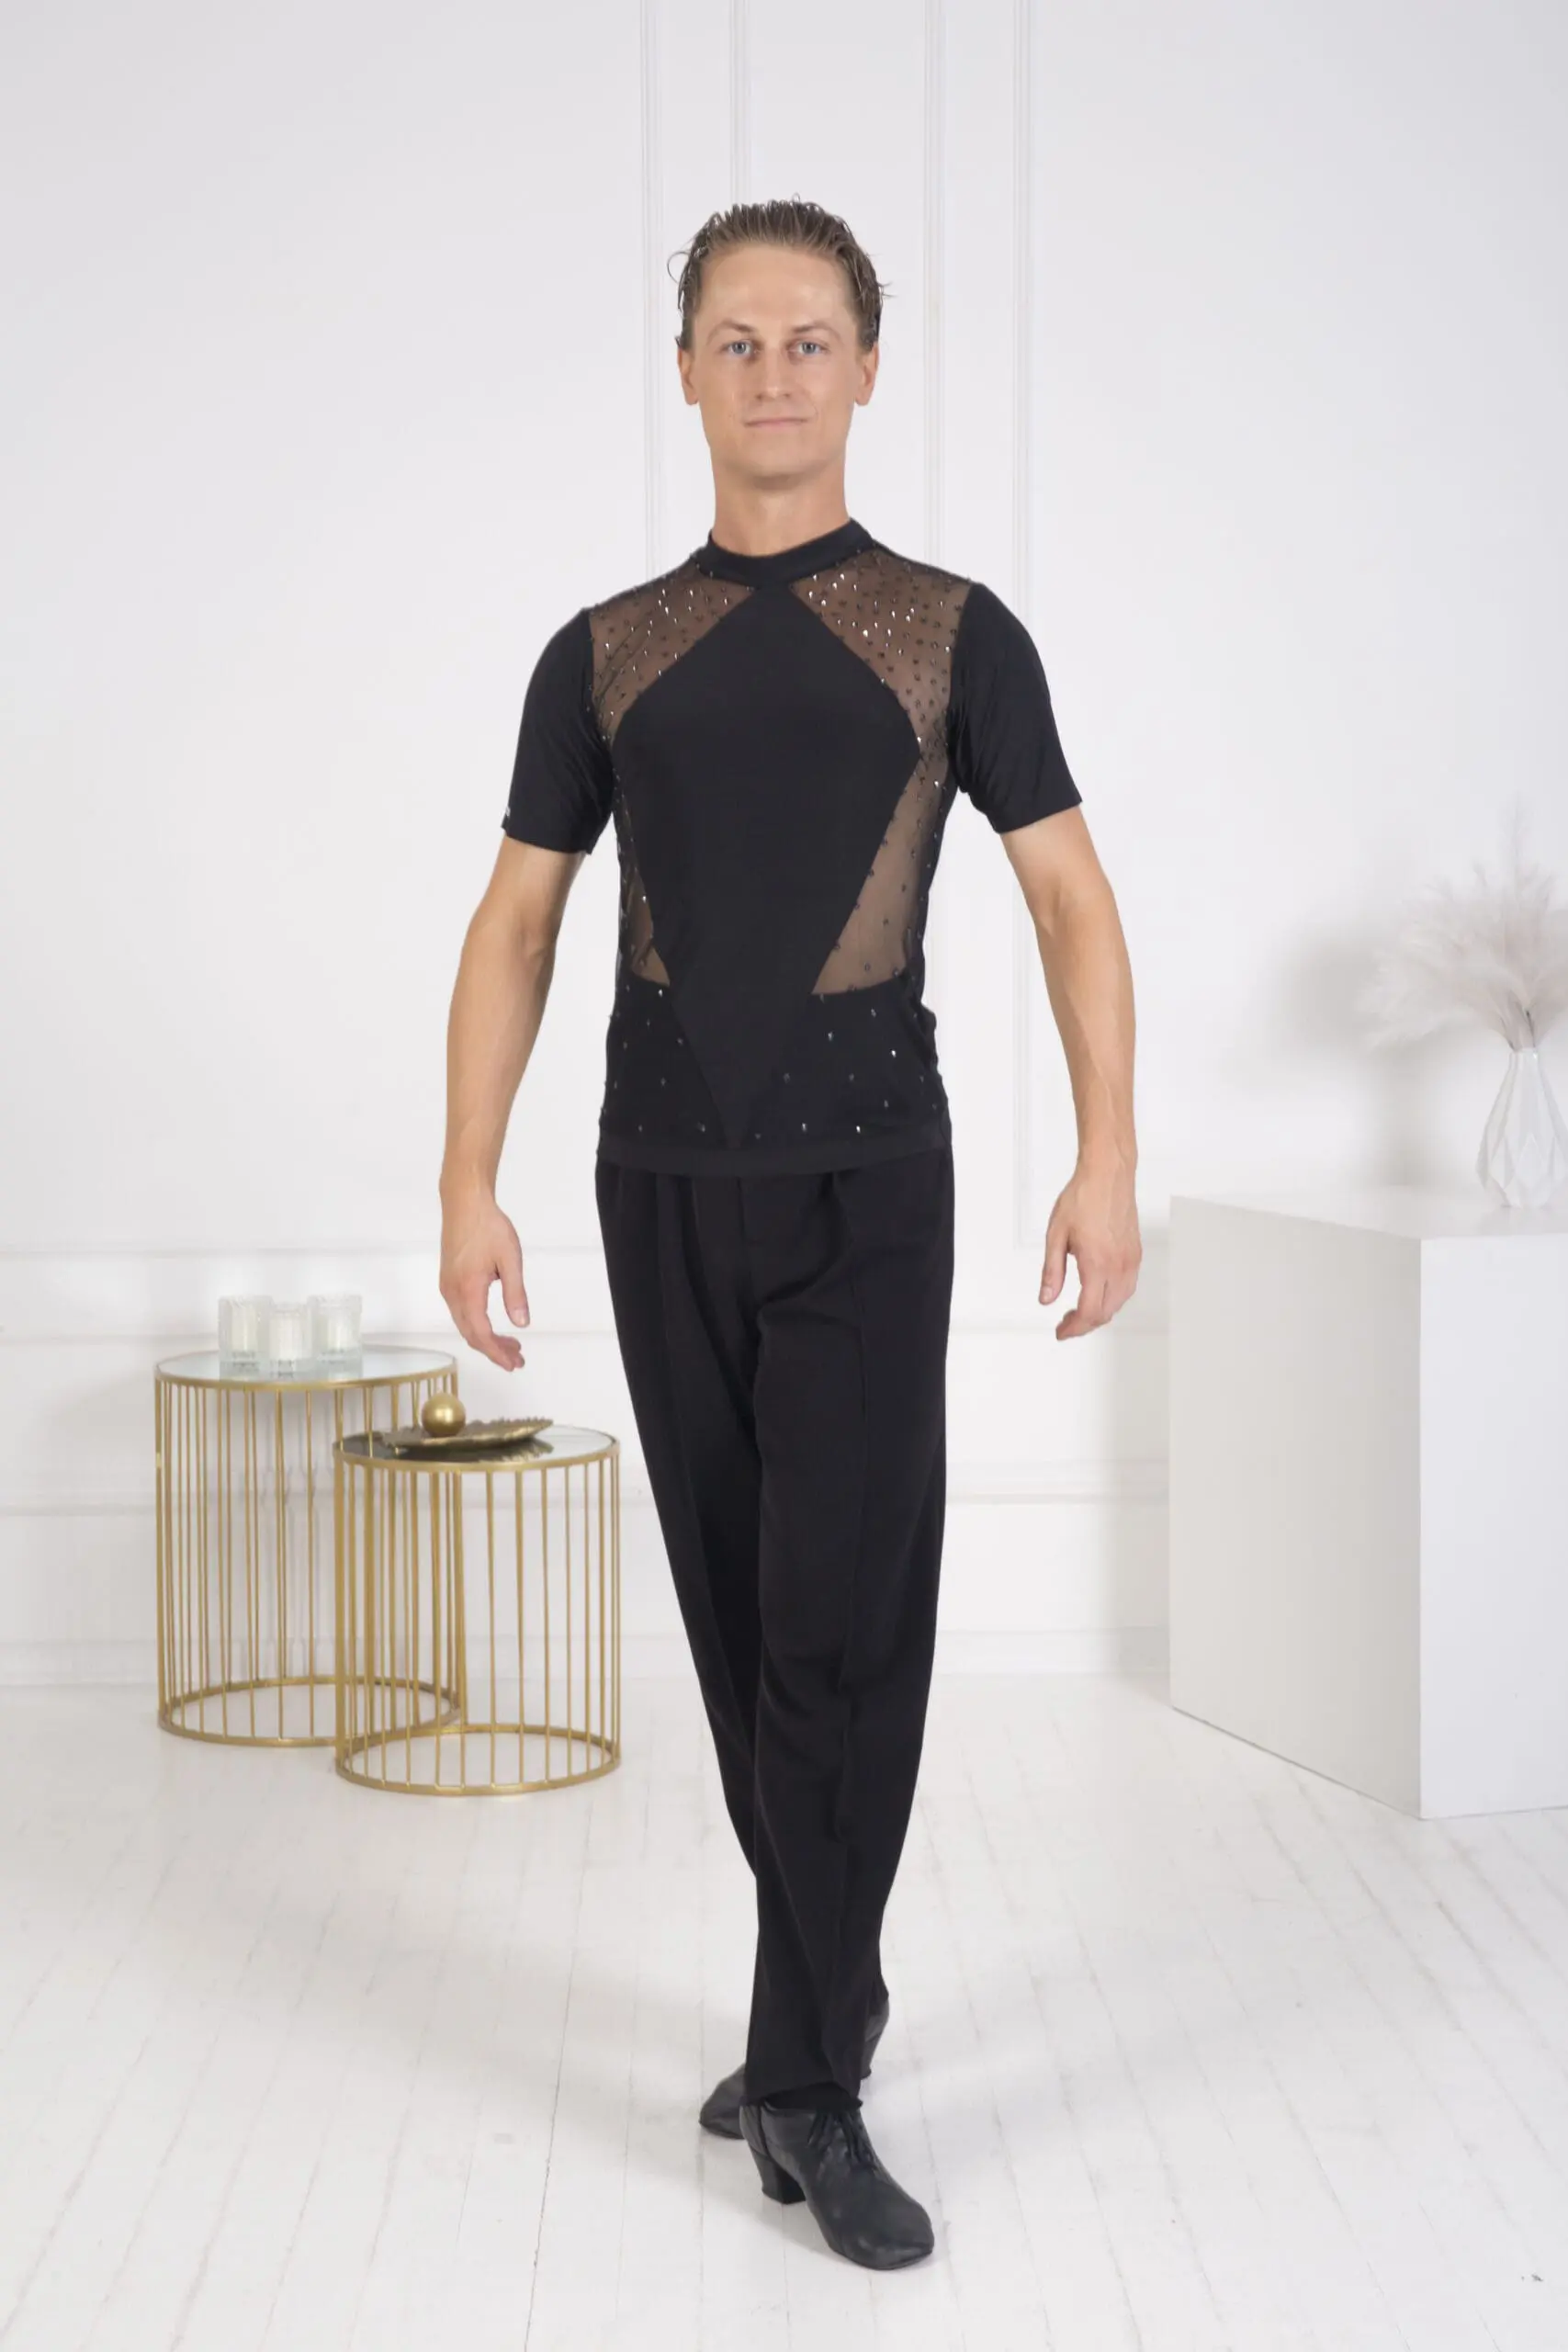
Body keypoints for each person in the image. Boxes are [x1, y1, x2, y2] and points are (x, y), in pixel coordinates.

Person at [438, 197, 1141, 2270]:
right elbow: (517, 919)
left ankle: (810, 2082)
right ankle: (819, 1996)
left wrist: (1105, 1155)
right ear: (683, 372)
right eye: (735, 340)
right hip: (657, 1183)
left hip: (867, 1188)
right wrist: (466, 1178)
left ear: (865, 369)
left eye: (808, 338)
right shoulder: (603, 651)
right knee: (748, 1637)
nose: (771, 372)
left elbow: (1070, 896)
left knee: (842, 1625)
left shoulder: (951, 631)